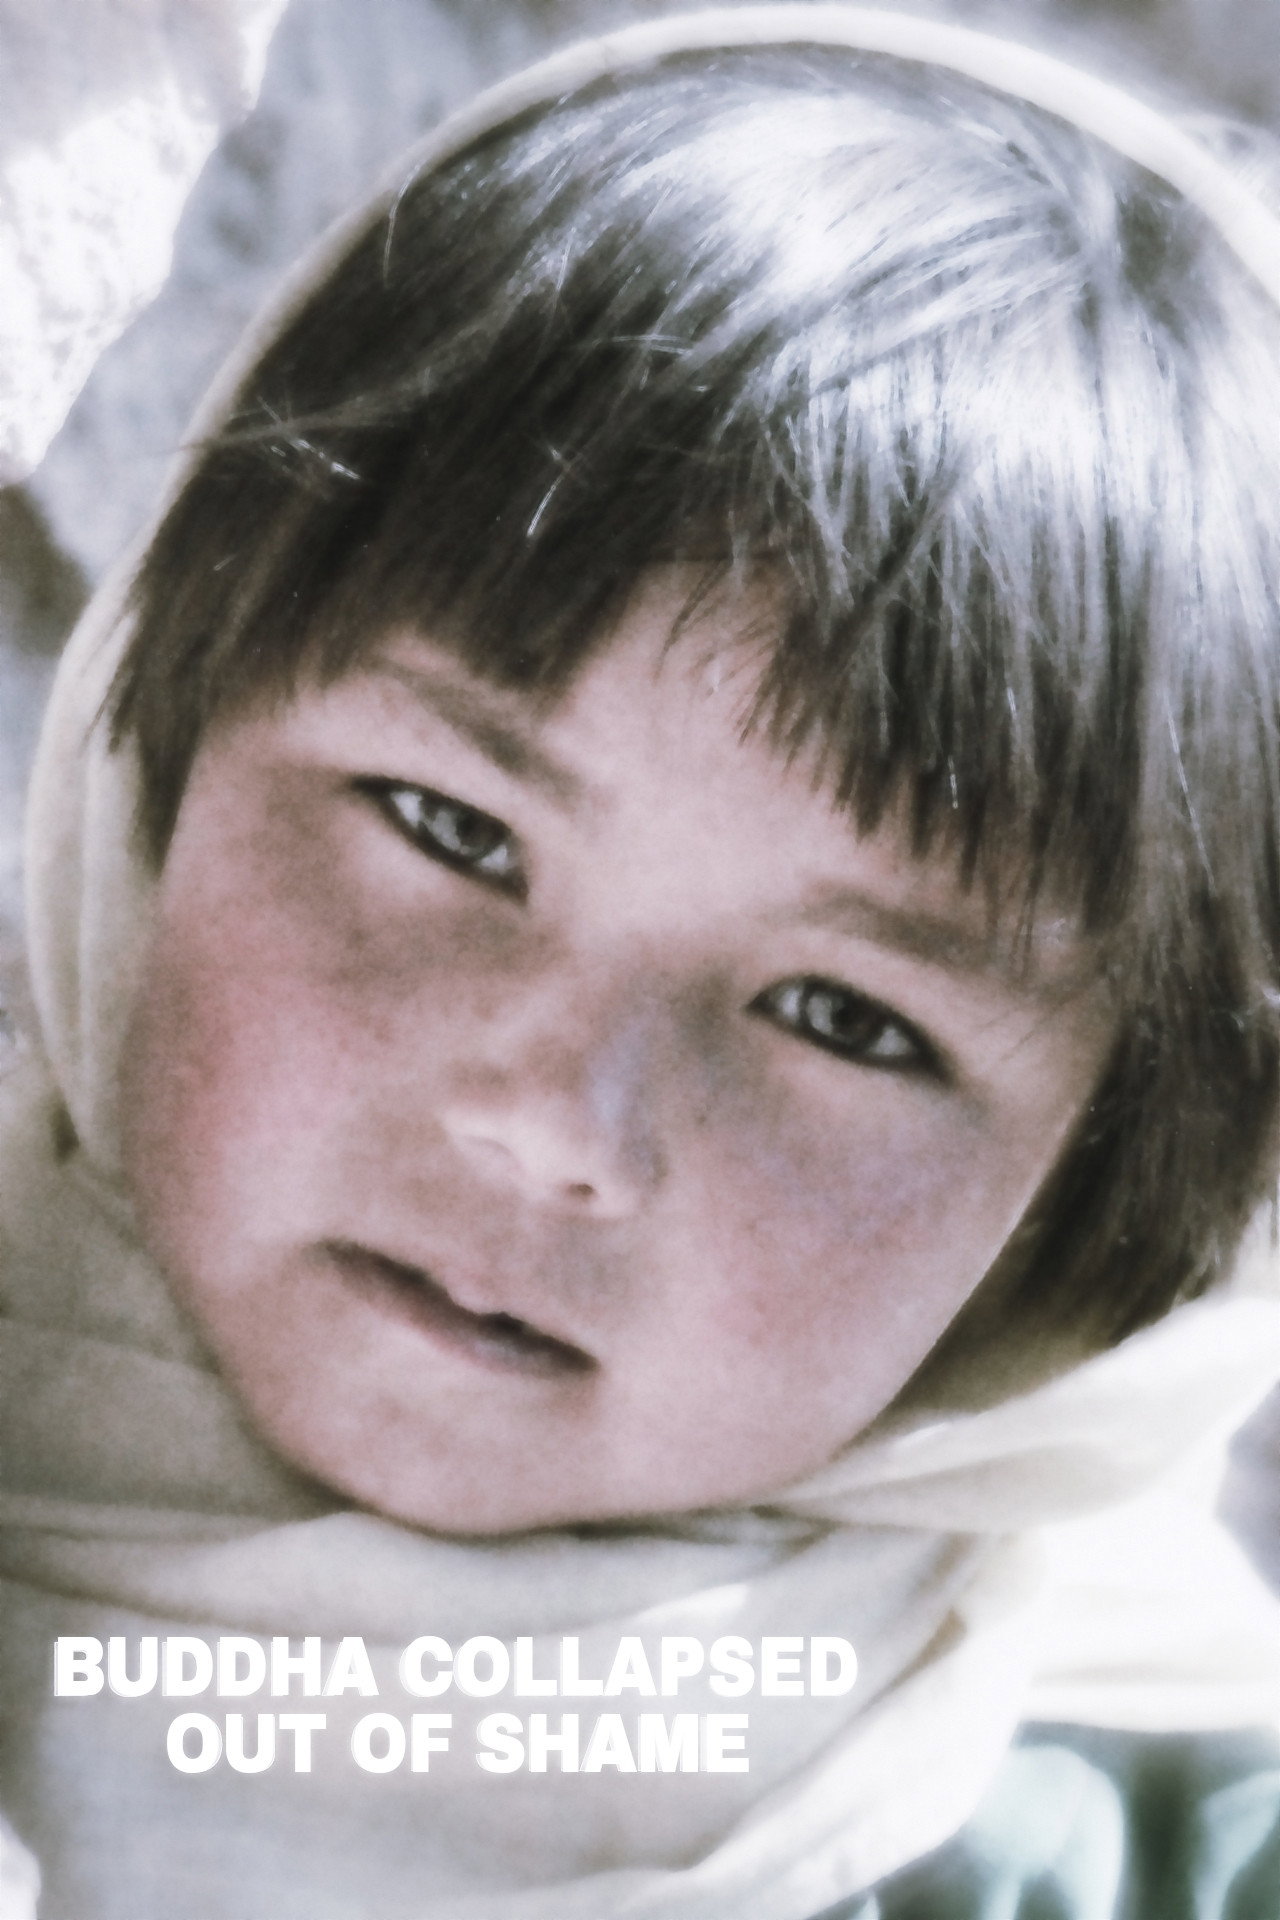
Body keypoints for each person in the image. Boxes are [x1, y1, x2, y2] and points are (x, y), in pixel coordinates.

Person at [2, 9, 1280, 1916]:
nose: (552, 1122)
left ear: (1105, 1206)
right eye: (452, 830)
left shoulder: (1146, 1838)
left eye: (844, 1018)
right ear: (156, 764)